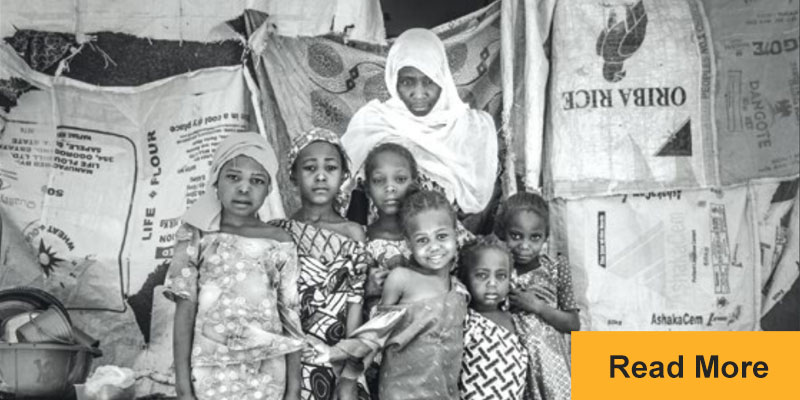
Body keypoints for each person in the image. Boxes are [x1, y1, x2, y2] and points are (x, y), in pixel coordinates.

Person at [164, 132, 305, 400]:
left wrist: (294, 388)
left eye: (257, 181)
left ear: (269, 189)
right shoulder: (196, 233)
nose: (244, 188)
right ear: (216, 179)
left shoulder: (279, 241)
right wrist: (183, 386)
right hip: (210, 371)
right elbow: (185, 307)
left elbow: (290, 315)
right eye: (233, 177)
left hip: (268, 372)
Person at [342, 28, 500, 234]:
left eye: (429, 81)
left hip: (442, 248)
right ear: (393, 79)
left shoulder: (471, 128)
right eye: (407, 81)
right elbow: (354, 195)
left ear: (442, 78)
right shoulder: (374, 120)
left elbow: (478, 208)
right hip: (382, 244)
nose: (418, 94)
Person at [315, 190, 469, 400]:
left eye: (442, 236)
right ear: (408, 244)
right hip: (401, 391)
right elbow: (376, 334)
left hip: (444, 392)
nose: (434, 247)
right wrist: (348, 380)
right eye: (422, 240)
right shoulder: (401, 279)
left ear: (456, 234)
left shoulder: (459, 290)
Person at [270, 127, 369, 400]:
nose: (321, 176)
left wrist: (349, 371)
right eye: (310, 168)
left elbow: (354, 302)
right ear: (293, 176)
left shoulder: (353, 232)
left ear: (344, 176)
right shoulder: (278, 232)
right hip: (289, 356)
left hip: (338, 358)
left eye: (331, 167)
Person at [496, 192, 580, 400]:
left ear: (545, 237)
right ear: (502, 234)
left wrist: (537, 307)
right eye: (516, 236)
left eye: (535, 237)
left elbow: (573, 323)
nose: (525, 246)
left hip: (551, 367)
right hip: (511, 366)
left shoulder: (556, 268)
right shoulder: (496, 269)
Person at [458, 237, 528, 400]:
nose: (492, 283)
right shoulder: (465, 320)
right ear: (465, 278)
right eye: (482, 275)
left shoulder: (517, 322)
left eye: (501, 276)